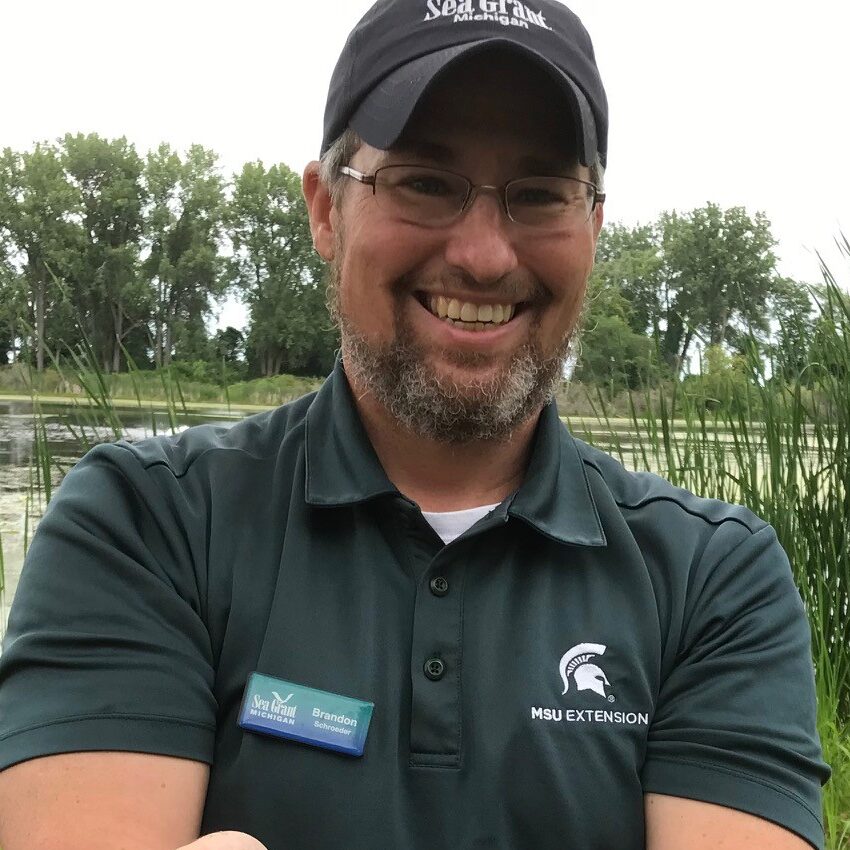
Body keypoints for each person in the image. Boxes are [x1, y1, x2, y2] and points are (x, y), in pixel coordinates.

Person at [0, 1, 830, 848]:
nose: (483, 254)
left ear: (594, 227)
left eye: (540, 194)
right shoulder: (146, 525)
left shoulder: (714, 581)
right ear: (326, 210)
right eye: (425, 183)